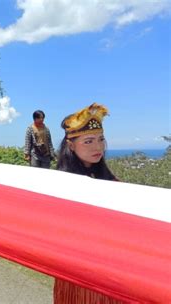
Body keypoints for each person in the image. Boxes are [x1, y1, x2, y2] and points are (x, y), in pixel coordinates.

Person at [54, 103, 120, 303]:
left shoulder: (113, 182)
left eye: (101, 140)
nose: (98, 147)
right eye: (88, 141)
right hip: (76, 270)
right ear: (71, 145)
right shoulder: (59, 185)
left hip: (109, 270)